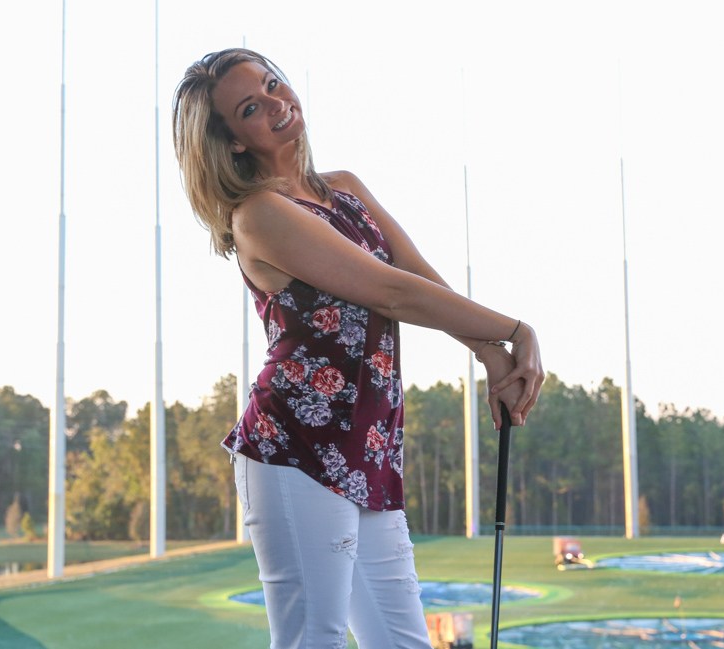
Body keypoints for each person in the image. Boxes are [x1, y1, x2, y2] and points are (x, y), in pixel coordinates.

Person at [172, 48, 544, 649]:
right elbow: (390, 292)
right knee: (312, 637)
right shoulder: (260, 214)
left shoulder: (344, 189)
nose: (275, 103)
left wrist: (489, 354)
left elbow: (417, 276)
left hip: (368, 445)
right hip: (295, 449)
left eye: (272, 85)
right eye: (250, 107)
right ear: (233, 142)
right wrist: (516, 331)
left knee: (402, 642)